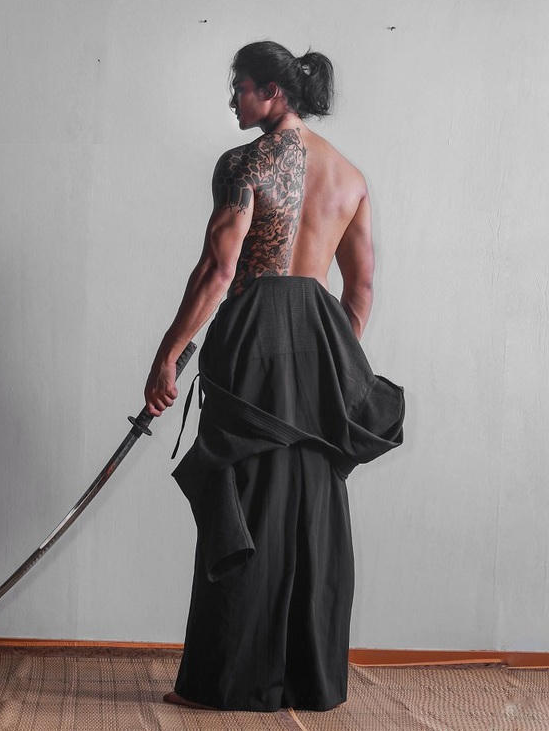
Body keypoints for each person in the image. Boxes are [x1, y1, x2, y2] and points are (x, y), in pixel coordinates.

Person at [143, 40, 405, 712]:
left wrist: (170, 352)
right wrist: (336, 369)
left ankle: (226, 681)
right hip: (323, 341)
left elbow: (219, 269)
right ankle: (310, 681)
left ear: (274, 92)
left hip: (255, 330)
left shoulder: (247, 163)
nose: (233, 99)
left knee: (244, 496)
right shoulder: (350, 177)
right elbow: (361, 287)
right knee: (312, 504)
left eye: (241, 87)